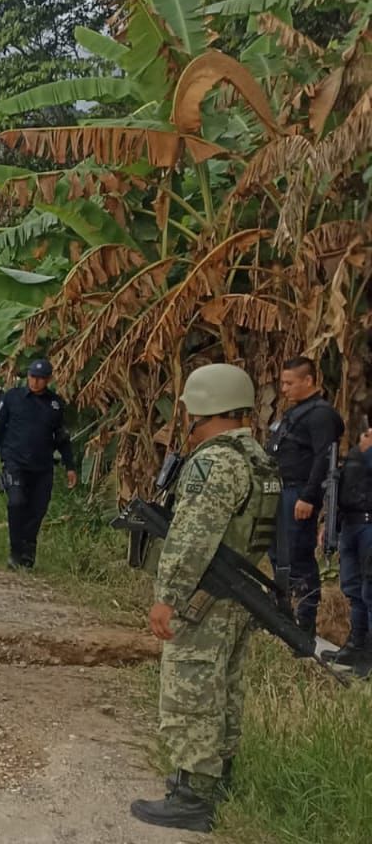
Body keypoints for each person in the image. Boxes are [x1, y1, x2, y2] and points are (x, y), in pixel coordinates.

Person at [131, 363, 281, 832]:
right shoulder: (258, 459)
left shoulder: (214, 463)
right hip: (237, 595)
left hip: (205, 597)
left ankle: (192, 797)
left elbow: (192, 538)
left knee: (191, 690)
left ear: (203, 408)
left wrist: (168, 597)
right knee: (225, 688)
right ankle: (218, 778)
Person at [266, 356, 345, 637]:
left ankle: (304, 620)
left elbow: (325, 459)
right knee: (277, 552)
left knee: (297, 554)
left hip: (298, 493)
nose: (284, 389)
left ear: (308, 381)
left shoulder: (322, 415)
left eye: (289, 383)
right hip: (281, 490)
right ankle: (281, 612)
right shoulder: (297, 412)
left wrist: (309, 497)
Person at [0, 358, 77, 569]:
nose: (35, 382)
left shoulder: (55, 404)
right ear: (27, 377)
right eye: (33, 377)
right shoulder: (13, 397)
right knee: (16, 503)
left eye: (41, 379)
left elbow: (62, 438)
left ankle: (28, 551)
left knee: (37, 510)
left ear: (49, 380)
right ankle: (15, 551)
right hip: (15, 461)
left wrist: (70, 466)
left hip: (42, 466)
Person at [324, 422, 372, 676]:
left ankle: (369, 655)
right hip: (351, 525)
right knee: (354, 589)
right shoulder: (361, 445)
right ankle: (356, 646)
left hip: (369, 525)